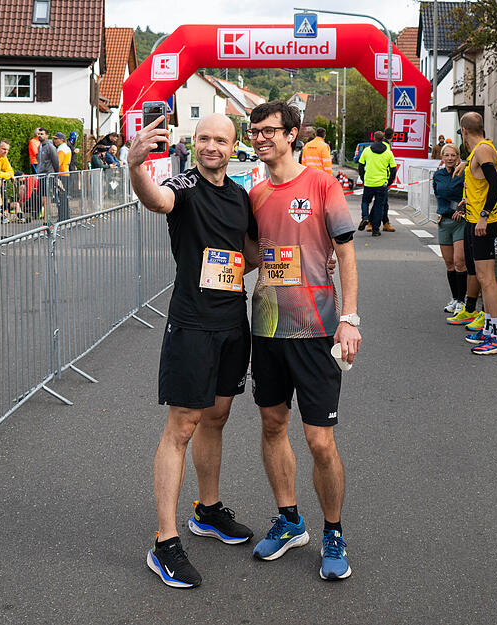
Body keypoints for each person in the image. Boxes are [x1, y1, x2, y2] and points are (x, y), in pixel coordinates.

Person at [128, 112, 257, 589]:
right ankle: (164, 542)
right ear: (194, 141)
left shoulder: (241, 195)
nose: (211, 146)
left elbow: (250, 253)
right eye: (204, 138)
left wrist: (308, 250)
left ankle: (207, 510)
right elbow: (155, 200)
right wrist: (136, 167)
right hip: (191, 326)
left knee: (217, 416)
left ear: (233, 145)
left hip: (231, 324)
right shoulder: (182, 186)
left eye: (220, 140)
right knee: (182, 425)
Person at [246, 101, 360, 581]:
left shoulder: (321, 185)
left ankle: (333, 531)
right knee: (273, 425)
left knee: (319, 440)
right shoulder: (252, 192)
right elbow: (252, 255)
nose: (260, 138)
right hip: (267, 327)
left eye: (269, 130)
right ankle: (290, 520)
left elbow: (345, 253)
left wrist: (350, 318)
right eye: (254, 131)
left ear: (292, 134)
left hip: (316, 330)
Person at [447, 111, 497, 355]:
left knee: (487, 279)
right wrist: (469, 202)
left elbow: (496, 186)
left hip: (484, 222)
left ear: (463, 131)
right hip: (475, 219)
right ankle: (488, 329)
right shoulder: (480, 151)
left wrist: (483, 214)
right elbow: (495, 183)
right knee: (482, 277)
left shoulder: (482, 150)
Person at [433, 143, 467, 313]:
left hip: (461, 222)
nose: (450, 158)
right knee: (449, 263)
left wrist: (462, 209)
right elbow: (438, 195)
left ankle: (462, 301)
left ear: (458, 156)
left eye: (453, 155)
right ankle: (454, 299)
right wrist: (441, 211)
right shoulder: (437, 175)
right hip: (444, 222)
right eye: (446, 155)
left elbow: (470, 195)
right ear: (442, 157)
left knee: (460, 262)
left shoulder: (463, 173)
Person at [356, 130, 397, 236]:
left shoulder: (367, 151)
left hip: (369, 182)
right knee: (379, 206)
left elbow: (360, 165)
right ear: (383, 139)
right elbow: (393, 169)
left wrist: (363, 177)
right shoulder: (388, 152)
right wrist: (389, 182)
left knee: (365, 201)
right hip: (381, 183)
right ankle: (375, 230)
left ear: (374, 139)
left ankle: (365, 217)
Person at [53, 131, 72, 221]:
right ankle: (66, 216)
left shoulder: (61, 149)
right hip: (66, 173)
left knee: (61, 197)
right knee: (64, 196)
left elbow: (58, 163)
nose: (54, 140)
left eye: (56, 139)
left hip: (61, 174)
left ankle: (62, 217)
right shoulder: (66, 148)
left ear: (61, 140)